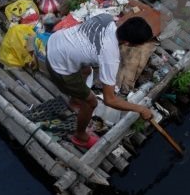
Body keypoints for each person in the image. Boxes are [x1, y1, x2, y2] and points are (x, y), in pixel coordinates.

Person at [46, 13, 155, 149]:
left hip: (55, 41)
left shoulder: (106, 18)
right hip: (59, 66)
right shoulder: (110, 56)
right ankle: (80, 136)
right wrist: (140, 109)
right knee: (91, 102)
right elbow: (110, 100)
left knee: (87, 71)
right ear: (127, 43)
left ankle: (75, 99)